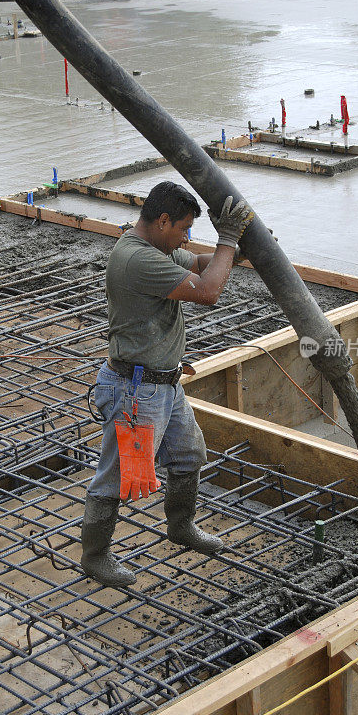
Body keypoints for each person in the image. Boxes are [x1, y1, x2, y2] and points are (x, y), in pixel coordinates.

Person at [81, 180, 254, 587]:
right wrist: (228, 239)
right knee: (120, 475)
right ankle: (95, 556)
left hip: (164, 384)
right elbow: (209, 290)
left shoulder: (158, 247)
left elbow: (201, 264)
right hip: (135, 392)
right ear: (162, 221)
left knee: (189, 455)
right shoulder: (138, 259)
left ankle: (181, 527)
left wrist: (243, 245)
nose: (186, 238)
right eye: (183, 229)